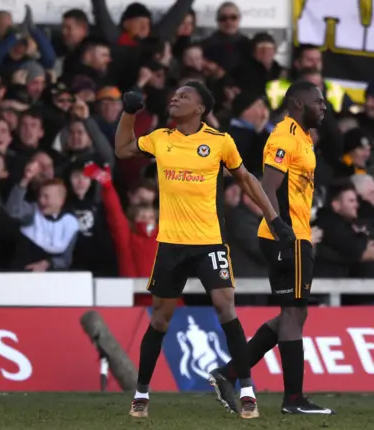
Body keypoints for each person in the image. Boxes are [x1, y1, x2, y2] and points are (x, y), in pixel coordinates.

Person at [114, 81, 295, 420]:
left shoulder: (219, 142)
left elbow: (246, 179)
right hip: (171, 243)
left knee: (226, 307)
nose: (175, 98)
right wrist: (128, 113)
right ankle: (141, 393)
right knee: (161, 318)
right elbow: (122, 149)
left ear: (199, 109)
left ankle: (246, 390)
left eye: (184, 96)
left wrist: (274, 219)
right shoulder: (160, 138)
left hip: (210, 241)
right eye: (175, 94)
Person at [209, 81, 335, 415]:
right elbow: (267, 187)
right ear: (297, 103)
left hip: (296, 236)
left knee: (294, 314)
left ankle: (229, 373)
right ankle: (293, 400)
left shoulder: (302, 138)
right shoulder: (283, 138)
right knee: (294, 315)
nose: (323, 106)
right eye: (317, 101)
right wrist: (282, 229)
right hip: (287, 237)